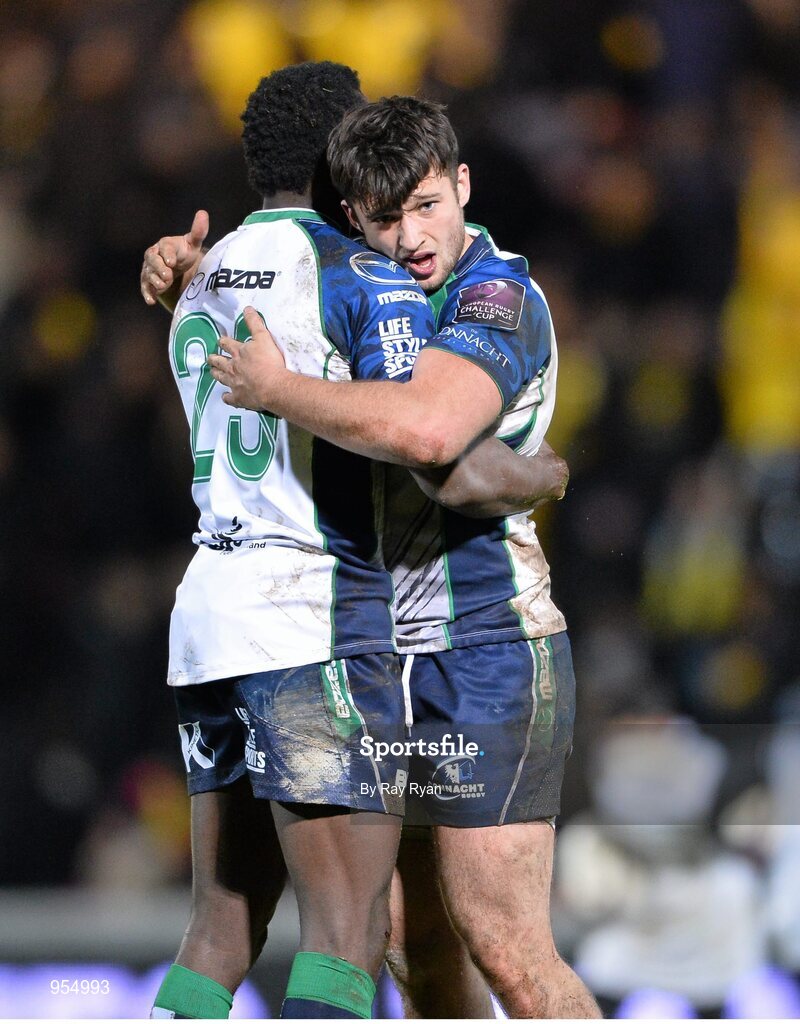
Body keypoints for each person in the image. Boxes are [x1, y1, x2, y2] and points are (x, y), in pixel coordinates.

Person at [143, 66, 568, 1019]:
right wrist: (548, 470)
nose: (404, 232)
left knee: (232, 926)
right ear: (348, 177)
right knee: (354, 935)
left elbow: (425, 428)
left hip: (225, 613)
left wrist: (172, 267)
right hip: (318, 623)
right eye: (384, 205)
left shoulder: (204, 268)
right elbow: (434, 452)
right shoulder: (361, 276)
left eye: (422, 201)